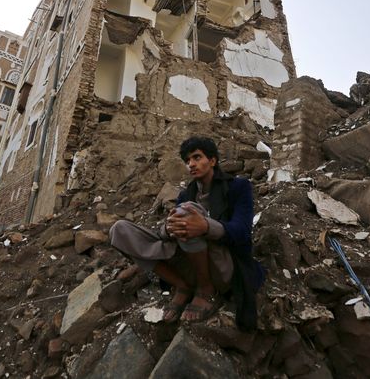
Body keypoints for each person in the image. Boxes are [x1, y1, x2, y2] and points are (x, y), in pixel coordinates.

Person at [109, 136, 264, 329]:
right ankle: (182, 285)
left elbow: (242, 232)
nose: (191, 164)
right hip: (188, 262)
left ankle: (206, 289)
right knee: (120, 230)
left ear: (213, 161)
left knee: (186, 211)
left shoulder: (237, 187)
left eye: (197, 157)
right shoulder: (186, 194)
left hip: (223, 266)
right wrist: (168, 228)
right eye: (187, 160)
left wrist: (205, 226)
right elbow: (170, 229)